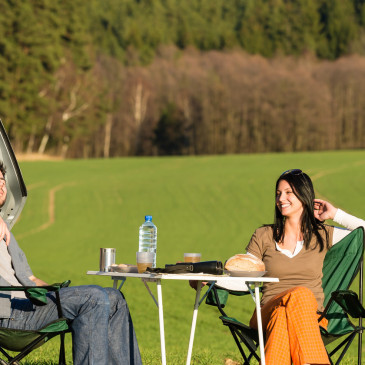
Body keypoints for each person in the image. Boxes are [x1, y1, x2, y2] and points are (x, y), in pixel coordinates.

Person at [0, 162, 142, 365]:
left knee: (113, 297)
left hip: (30, 305)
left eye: (2, 181)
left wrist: (63, 297)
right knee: (93, 297)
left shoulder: (7, 234)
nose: (2, 186)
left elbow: (30, 278)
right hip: (10, 315)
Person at [246, 169, 365, 365]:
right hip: (265, 312)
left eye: (288, 192)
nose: (280, 198)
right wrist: (212, 281)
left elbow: (362, 233)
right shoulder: (264, 235)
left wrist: (335, 213)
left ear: (304, 196)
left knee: (282, 315)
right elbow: (242, 273)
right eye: (278, 193)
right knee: (301, 294)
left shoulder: (323, 235)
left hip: (310, 317)